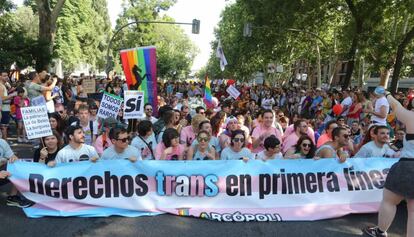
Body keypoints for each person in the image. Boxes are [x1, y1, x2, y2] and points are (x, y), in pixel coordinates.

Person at [363, 92, 414, 237]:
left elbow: (395, 106)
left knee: (389, 200)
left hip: (408, 166)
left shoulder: (411, 117)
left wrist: (387, 94)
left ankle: (380, 232)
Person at [0, 139, 32, 207]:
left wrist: (14, 159)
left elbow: (14, 157)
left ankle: (12, 197)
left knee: (18, 166)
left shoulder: (2, 142)